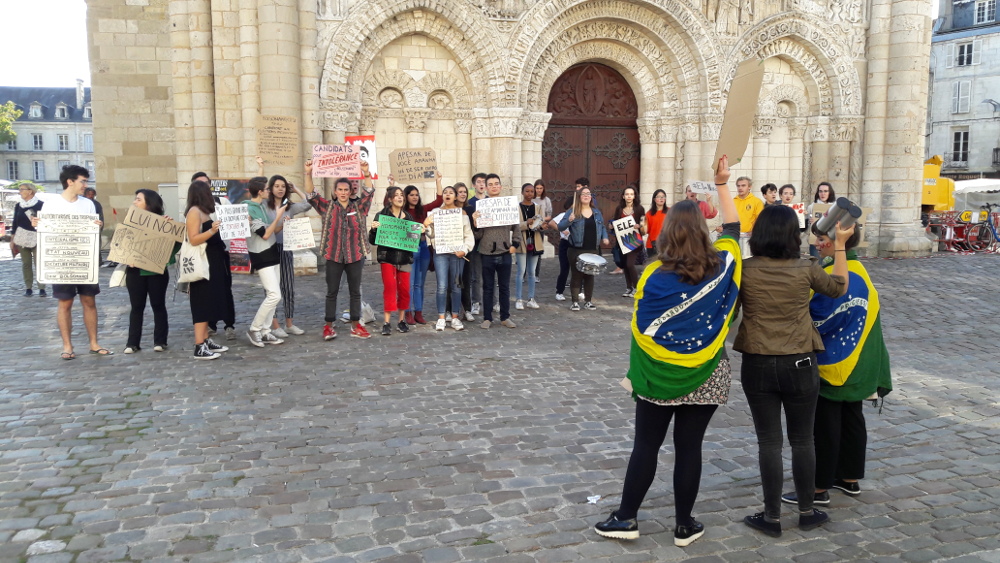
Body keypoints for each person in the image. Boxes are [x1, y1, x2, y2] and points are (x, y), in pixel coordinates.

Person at [595, 156, 741, 546]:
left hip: (658, 375)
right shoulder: (724, 263)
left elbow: (642, 332)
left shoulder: (651, 278)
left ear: (668, 233)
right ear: (701, 231)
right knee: (689, 448)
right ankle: (683, 525)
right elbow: (734, 228)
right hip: (708, 370)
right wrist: (722, 184)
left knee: (646, 444)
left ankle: (626, 518)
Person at [735, 204, 854, 538]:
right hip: (800, 361)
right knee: (803, 440)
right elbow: (839, 286)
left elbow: (729, 311)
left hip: (758, 361)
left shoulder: (746, 269)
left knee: (769, 442)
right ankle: (806, 511)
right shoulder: (807, 268)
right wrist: (841, 244)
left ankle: (772, 516)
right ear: (792, 235)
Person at [780, 229, 892, 508]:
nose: (817, 243)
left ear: (837, 242)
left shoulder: (836, 273)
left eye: (822, 239)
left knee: (825, 425)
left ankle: (818, 488)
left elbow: (819, 315)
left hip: (834, 362)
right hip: (860, 362)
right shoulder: (860, 269)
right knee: (852, 417)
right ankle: (849, 477)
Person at [31, 166, 112, 359]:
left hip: (84, 259)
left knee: (89, 301)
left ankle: (94, 342)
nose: (86, 185)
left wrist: (96, 227)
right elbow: (46, 232)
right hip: (62, 261)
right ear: (70, 182)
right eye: (83, 181)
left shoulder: (88, 204)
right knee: (65, 303)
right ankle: (67, 346)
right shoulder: (52, 204)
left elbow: (92, 231)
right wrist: (37, 225)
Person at [304, 159, 376, 340]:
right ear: (335, 192)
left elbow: (368, 193)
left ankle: (355, 325)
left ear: (351, 191)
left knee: (355, 292)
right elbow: (311, 195)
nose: (343, 193)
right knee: (332, 291)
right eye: (340, 190)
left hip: (355, 254)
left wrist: (366, 173)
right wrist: (308, 173)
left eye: (346, 190)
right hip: (333, 254)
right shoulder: (327, 207)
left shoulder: (359, 207)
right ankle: (328, 326)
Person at [123, 190, 179, 354]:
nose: (135, 202)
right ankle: (132, 343)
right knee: (136, 307)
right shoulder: (130, 221)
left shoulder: (163, 222)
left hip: (156, 271)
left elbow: (175, 246)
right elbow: (121, 243)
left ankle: (160, 341)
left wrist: (170, 229)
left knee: (158, 305)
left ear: (149, 203)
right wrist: (126, 257)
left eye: (138, 199)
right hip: (135, 271)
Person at [184, 181, 232, 360]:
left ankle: (205, 340)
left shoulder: (205, 212)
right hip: (202, 264)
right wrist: (212, 231)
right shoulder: (194, 212)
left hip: (214, 262)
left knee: (211, 301)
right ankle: (199, 345)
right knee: (202, 303)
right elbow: (194, 239)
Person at [264, 174, 313, 338]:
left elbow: (308, 204)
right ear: (271, 188)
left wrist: (296, 189)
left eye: (283, 186)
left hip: (286, 248)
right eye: (277, 186)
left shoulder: (290, 207)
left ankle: (289, 323)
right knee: (272, 288)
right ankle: (275, 324)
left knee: (288, 287)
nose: (280, 189)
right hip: (269, 248)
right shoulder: (266, 206)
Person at [471, 173, 521, 329]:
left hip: (505, 251)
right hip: (487, 252)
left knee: (504, 287)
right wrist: (475, 222)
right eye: (490, 184)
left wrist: (515, 244)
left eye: (496, 184)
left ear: (500, 186)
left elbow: (517, 227)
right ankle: (487, 318)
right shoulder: (482, 206)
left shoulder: (509, 205)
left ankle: (505, 317)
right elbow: (478, 235)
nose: (493, 186)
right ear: (486, 187)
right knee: (488, 287)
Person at [192, 171, 237, 341]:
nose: (205, 187)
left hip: (220, 250)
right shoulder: (194, 210)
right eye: (200, 184)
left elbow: (235, 219)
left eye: (206, 183)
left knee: (225, 288)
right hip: (202, 253)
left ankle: (229, 324)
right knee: (206, 291)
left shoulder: (222, 202)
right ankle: (209, 325)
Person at [425, 185, 475, 331]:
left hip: (457, 255)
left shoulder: (462, 214)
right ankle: (441, 317)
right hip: (440, 253)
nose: (447, 194)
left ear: (455, 196)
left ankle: (455, 317)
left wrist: (464, 250)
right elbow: (432, 235)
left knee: (456, 285)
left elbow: (468, 235)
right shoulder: (435, 213)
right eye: (445, 192)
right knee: (442, 286)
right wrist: (427, 226)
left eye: (451, 192)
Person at [245, 177, 287, 347]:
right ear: (260, 191)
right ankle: (254, 329)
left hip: (271, 253)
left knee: (275, 296)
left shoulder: (261, 205)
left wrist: (282, 223)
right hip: (260, 255)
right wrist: (277, 217)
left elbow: (272, 230)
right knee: (274, 294)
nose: (269, 191)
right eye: (267, 189)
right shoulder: (249, 209)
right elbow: (264, 234)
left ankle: (265, 330)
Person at [370, 186, 415, 336]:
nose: (400, 197)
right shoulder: (381, 216)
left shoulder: (408, 217)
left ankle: (401, 321)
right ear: (390, 199)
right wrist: (373, 229)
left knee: (404, 290)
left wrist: (419, 231)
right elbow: (373, 241)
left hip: (404, 259)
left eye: (401, 195)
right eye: (396, 195)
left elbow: (412, 240)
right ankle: (387, 322)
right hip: (387, 258)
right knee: (390, 288)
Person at [401, 172, 444, 325]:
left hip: (424, 247)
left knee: (420, 283)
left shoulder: (422, 210)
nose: (415, 197)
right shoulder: (402, 213)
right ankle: (408, 313)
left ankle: (418, 312)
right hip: (409, 249)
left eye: (417, 195)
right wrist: (391, 185)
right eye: (412, 195)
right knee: (410, 283)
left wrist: (438, 181)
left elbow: (439, 201)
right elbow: (388, 202)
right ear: (406, 196)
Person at [557, 185, 609, 311]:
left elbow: (602, 227)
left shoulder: (596, 212)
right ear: (579, 197)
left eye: (588, 194)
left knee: (589, 275)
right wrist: (569, 220)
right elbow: (560, 227)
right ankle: (575, 302)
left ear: (591, 197)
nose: (586, 195)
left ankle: (588, 301)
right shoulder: (573, 211)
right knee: (576, 275)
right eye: (584, 194)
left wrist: (605, 237)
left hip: (592, 248)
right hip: (576, 248)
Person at [10, 182, 45, 297]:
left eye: (22, 189)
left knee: (39, 263)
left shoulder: (41, 205)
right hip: (22, 237)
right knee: (26, 263)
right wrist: (12, 239)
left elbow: (45, 222)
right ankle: (28, 287)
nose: (19, 192)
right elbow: (15, 222)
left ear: (30, 191)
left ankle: (41, 288)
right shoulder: (18, 205)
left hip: (37, 236)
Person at [611, 184, 646, 298]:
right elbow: (615, 222)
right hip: (622, 241)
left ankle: (637, 288)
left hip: (634, 240)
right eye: (627, 194)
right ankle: (629, 287)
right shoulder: (619, 209)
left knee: (630, 264)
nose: (629, 196)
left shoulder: (639, 209)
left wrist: (639, 226)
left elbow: (643, 223)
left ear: (635, 196)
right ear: (623, 196)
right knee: (625, 265)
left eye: (631, 194)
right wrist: (611, 226)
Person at [514, 183, 543, 310]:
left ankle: (531, 298)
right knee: (521, 271)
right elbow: (515, 226)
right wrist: (527, 223)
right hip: (522, 242)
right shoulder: (517, 207)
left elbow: (540, 222)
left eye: (532, 191)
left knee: (532, 272)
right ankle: (519, 299)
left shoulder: (538, 208)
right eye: (527, 191)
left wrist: (542, 226)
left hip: (535, 241)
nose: (530, 194)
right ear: (522, 192)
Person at [454, 183, 476, 322]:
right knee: (454, 281)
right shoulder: (449, 209)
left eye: (464, 192)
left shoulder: (470, 209)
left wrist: (474, 220)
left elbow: (475, 231)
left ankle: (467, 309)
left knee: (466, 280)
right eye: (460, 192)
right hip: (452, 250)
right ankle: (453, 310)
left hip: (467, 249)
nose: (463, 194)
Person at [467, 172, 488, 315]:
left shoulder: (492, 201)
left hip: (490, 243)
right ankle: (475, 302)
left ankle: (493, 301)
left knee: (491, 275)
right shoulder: (469, 204)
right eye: (479, 182)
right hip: (475, 244)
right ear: (474, 185)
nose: (481, 184)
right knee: (476, 275)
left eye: (484, 182)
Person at [734, 176, 764, 258]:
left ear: (749, 187)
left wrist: (754, 230)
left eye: (743, 185)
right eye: (738, 186)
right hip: (734, 237)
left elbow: (760, 219)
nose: (740, 188)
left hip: (749, 238)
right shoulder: (732, 201)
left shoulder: (757, 201)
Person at [552, 198, 574, 301]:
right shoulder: (563, 215)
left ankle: (579, 290)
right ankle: (559, 291)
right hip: (565, 243)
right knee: (564, 268)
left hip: (576, 243)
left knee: (578, 269)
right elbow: (552, 223)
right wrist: (561, 229)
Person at [807, 182, 835, 257]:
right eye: (820, 191)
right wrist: (809, 222)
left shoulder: (835, 207)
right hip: (816, 240)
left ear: (830, 193)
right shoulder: (811, 207)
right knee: (817, 263)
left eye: (825, 191)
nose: (823, 194)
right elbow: (806, 228)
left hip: (831, 240)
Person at [532, 179, 553, 280]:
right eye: (537, 188)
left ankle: (536, 274)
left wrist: (540, 219)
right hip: (530, 227)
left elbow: (549, 215)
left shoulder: (546, 200)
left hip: (540, 228)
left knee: (538, 250)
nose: (539, 190)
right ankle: (524, 274)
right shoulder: (531, 199)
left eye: (541, 188)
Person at [83, 187, 105, 263]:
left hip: (95, 227)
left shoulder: (97, 204)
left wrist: (100, 226)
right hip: (83, 228)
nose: (91, 196)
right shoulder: (81, 202)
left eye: (92, 194)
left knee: (96, 245)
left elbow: (101, 216)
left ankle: (98, 260)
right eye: (89, 194)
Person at [645, 189, 668, 255]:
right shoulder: (649, 214)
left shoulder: (670, 211)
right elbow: (646, 230)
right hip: (652, 244)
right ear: (654, 199)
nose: (661, 198)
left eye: (663, 196)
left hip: (667, 243)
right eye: (658, 197)